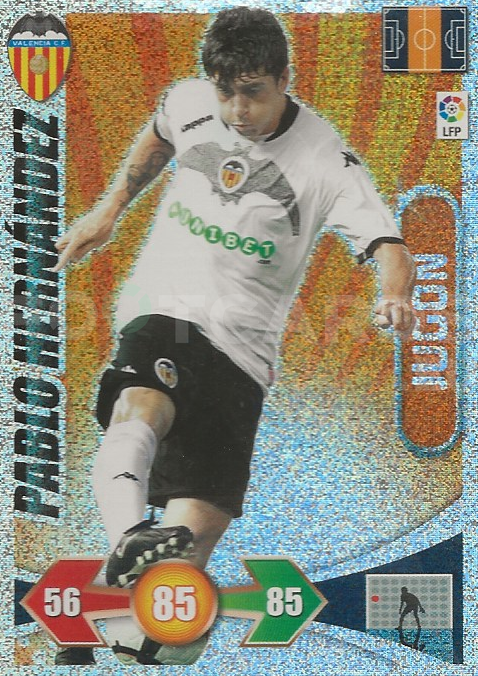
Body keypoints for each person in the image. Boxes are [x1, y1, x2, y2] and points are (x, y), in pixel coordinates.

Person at [53, 7, 416, 665]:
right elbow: (161, 133)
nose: (237, 110)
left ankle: (123, 624)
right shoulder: (192, 102)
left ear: (284, 80)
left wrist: (393, 295)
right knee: (141, 407)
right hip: (166, 309)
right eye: (226, 92)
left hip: (244, 359)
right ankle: (128, 534)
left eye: (253, 92)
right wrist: (109, 210)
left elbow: (388, 243)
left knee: (187, 561)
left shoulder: (326, 159)